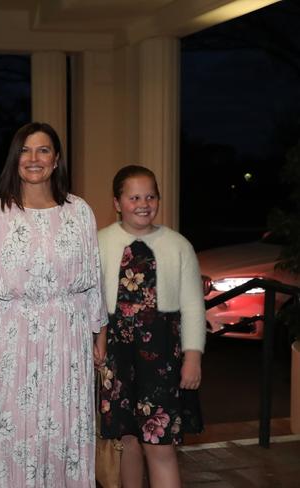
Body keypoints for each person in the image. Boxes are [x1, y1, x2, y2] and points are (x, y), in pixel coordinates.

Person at [0, 122, 107, 487]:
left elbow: (94, 279)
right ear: (15, 159)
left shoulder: (80, 212)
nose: (34, 158)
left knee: (65, 431)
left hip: (68, 344)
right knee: (10, 434)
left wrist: (99, 336)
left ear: (56, 160)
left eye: (43, 150)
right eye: (25, 151)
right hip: (12, 343)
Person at [97, 165, 206, 488]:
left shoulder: (178, 245)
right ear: (117, 202)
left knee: (160, 445)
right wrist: (95, 342)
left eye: (150, 196)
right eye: (134, 197)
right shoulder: (99, 242)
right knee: (127, 441)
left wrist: (193, 356)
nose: (143, 203)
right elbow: (90, 303)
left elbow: (192, 306)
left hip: (163, 358)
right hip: (116, 357)